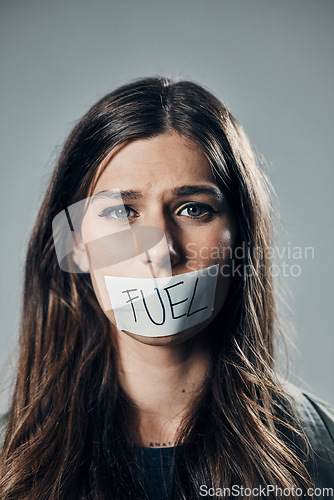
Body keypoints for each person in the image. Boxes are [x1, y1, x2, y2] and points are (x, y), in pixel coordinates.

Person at [0, 77, 333, 499]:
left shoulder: (326, 456)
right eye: (122, 211)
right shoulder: (8, 464)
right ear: (77, 245)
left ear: (242, 239)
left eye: (194, 209)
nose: (159, 251)